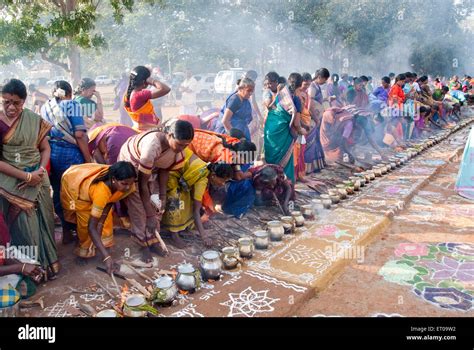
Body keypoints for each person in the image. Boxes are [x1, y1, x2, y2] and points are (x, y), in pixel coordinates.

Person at [0, 79, 59, 279]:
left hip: (39, 178)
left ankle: (51, 264)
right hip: (14, 181)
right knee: (26, 226)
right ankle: (33, 269)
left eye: (16, 103)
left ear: (24, 101)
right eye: (6, 101)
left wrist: (39, 172)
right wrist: (26, 176)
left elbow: (45, 149)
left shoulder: (33, 119)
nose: (10, 107)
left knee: (46, 220)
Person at [117, 119, 194, 261]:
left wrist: (163, 197)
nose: (182, 148)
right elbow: (142, 184)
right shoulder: (151, 146)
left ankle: (152, 240)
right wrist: (150, 216)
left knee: (158, 206)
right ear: (169, 135)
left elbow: (165, 170)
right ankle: (143, 245)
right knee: (139, 209)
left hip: (152, 170)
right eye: (180, 144)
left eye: (186, 145)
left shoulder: (178, 151)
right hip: (133, 169)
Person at [60, 162, 136, 272]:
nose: (128, 187)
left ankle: (102, 249)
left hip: (99, 198)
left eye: (130, 183)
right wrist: (107, 258)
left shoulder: (123, 183)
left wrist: (101, 221)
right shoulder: (101, 192)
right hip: (78, 193)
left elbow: (111, 199)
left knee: (106, 223)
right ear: (113, 179)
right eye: (124, 184)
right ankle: (83, 253)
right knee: (85, 226)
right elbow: (91, 227)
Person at [41, 80, 91, 244]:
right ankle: (78, 230)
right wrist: (88, 159)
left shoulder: (45, 107)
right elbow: (79, 135)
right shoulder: (72, 105)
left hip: (51, 154)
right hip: (71, 156)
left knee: (57, 191)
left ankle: (66, 230)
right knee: (75, 193)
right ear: (69, 94)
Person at [161, 149, 233, 247]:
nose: (223, 184)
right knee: (176, 202)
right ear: (213, 175)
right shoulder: (202, 179)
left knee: (187, 200)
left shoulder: (205, 169)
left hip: (179, 172)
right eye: (223, 180)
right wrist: (204, 237)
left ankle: (183, 227)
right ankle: (173, 235)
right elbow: (196, 210)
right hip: (171, 175)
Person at [124, 65, 171, 131]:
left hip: (139, 127)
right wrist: (152, 81)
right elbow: (166, 89)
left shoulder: (129, 93)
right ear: (144, 81)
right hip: (146, 129)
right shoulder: (140, 95)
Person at [304, 68, 329, 174]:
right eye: (324, 79)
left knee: (316, 142)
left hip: (317, 118)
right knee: (311, 143)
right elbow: (310, 106)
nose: (325, 82)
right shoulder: (312, 87)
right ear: (319, 77)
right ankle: (307, 168)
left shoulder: (317, 86)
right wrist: (315, 118)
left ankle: (316, 165)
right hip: (312, 119)